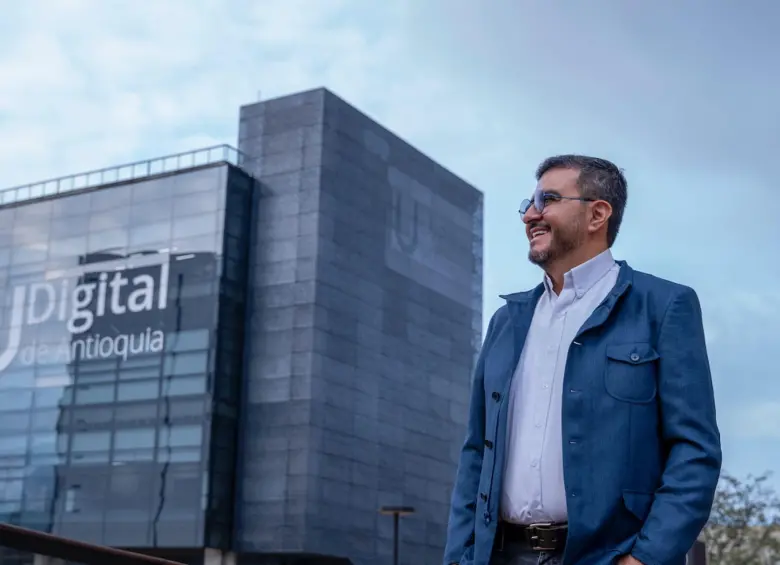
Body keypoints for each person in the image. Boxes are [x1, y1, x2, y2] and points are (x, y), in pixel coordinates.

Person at [443, 155, 721, 565]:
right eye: (528, 204)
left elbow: (694, 451)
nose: (530, 216)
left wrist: (647, 558)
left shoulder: (663, 307)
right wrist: (459, 557)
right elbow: (475, 453)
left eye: (547, 199)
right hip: (500, 555)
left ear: (597, 214)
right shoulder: (506, 321)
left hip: (609, 556)